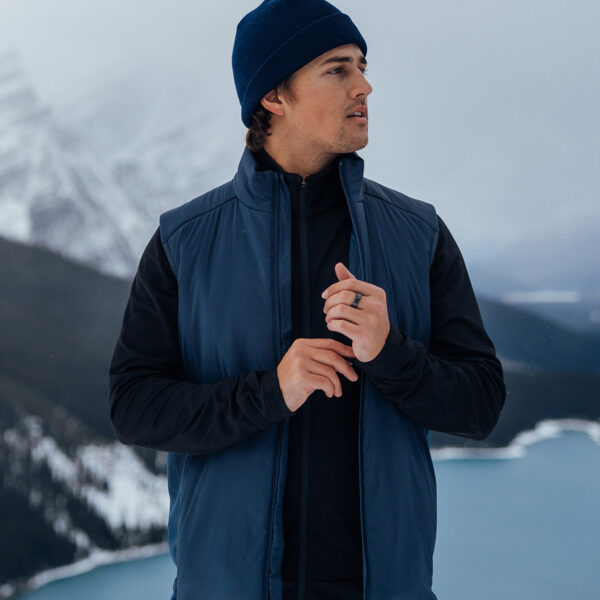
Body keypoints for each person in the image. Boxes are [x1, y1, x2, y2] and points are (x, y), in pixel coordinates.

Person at [109, 0, 506, 598]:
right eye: (337, 69)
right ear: (274, 96)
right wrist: (271, 392)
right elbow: (134, 406)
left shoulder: (418, 234)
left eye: (362, 67)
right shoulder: (183, 242)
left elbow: (481, 404)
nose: (364, 86)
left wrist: (390, 353)